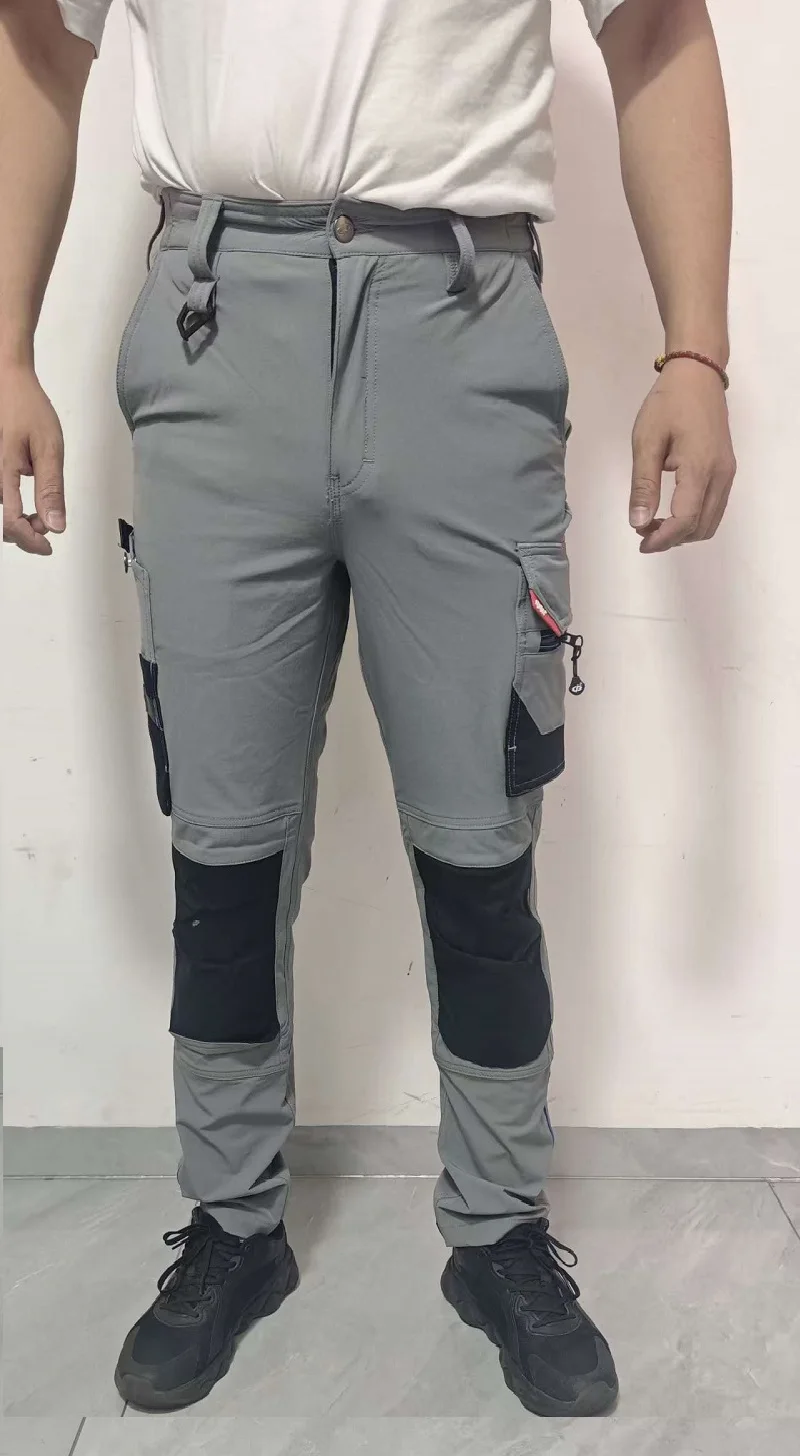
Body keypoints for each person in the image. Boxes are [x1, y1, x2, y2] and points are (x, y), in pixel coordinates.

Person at [0, 0, 735, 1418]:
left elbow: (655, 33)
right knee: (225, 846)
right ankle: (233, 1223)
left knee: (481, 841)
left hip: (462, 325)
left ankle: (499, 1231)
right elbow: (37, 43)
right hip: (217, 326)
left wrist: (694, 354)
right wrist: (3, 344)